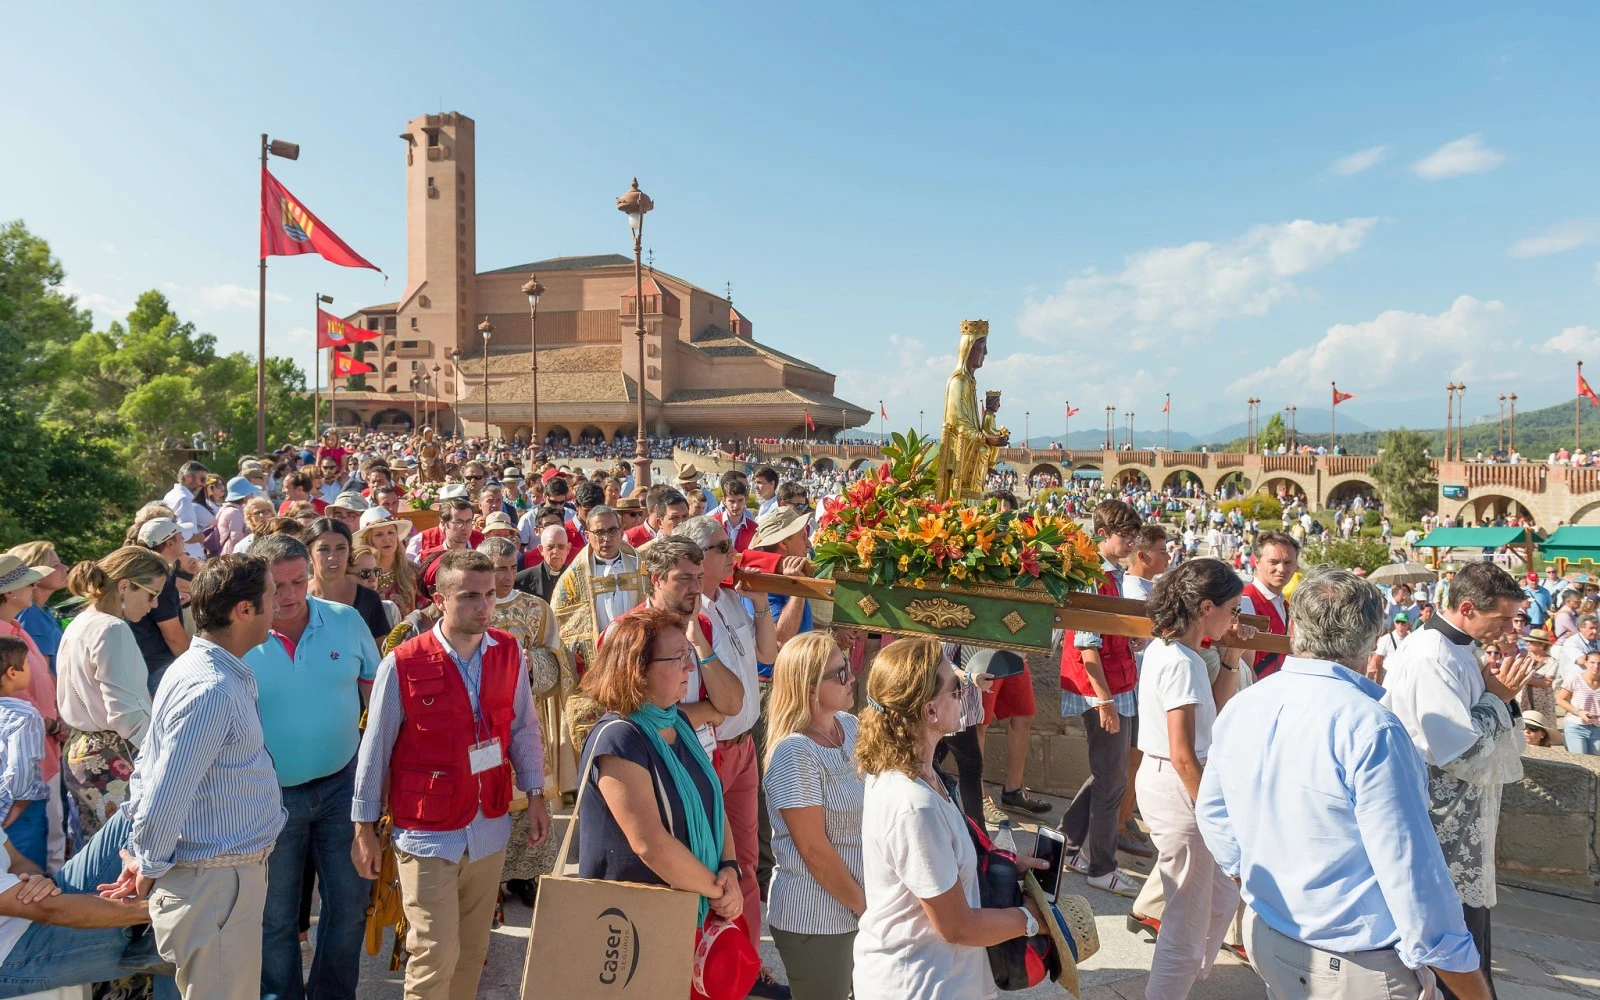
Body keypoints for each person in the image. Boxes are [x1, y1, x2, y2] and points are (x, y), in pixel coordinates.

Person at [1197, 568, 1491, 1000]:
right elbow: (1414, 878)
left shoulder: (1245, 703)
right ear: (1374, 639)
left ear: (1294, 629)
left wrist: (1255, 881)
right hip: (1353, 960)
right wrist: (1469, 986)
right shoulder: (1372, 728)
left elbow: (1213, 814)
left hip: (1270, 931)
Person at [351, 549, 548, 1000]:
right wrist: (362, 827)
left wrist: (536, 792)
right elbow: (375, 749)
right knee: (433, 952)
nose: (483, 606)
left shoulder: (509, 651)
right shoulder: (401, 662)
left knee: (474, 949)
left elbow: (523, 728)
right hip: (427, 830)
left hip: (489, 826)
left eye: (489, 595)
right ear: (440, 600)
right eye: (469, 597)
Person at [106, 554, 288, 1000]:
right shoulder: (211, 687)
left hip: (218, 885)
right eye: (271, 597)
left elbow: (149, 769)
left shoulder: (202, 670)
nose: (278, 606)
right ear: (244, 610)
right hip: (215, 887)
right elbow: (166, 789)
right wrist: (147, 863)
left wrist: (145, 855)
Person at [852, 637, 1042, 1000]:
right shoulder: (914, 805)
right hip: (918, 985)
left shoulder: (919, 773)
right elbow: (956, 925)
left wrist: (1004, 865)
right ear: (929, 712)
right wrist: (1031, 919)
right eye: (956, 688)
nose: (965, 693)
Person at [1382, 561, 1531, 1000]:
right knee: (1450, 939)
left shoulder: (1462, 649)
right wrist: (1497, 699)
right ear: (1467, 607)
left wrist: (1498, 699)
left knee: (1471, 933)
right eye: (1501, 618)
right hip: (1439, 820)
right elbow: (1459, 752)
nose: (1509, 628)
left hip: (1464, 817)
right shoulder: (1431, 655)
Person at [242, 534, 379, 1000]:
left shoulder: (346, 620)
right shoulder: (240, 636)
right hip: (268, 797)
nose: (288, 594)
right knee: (275, 915)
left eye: (298, 581)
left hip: (343, 786)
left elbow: (376, 701)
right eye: (276, 586)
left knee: (350, 904)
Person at [1134, 559, 1243, 1000]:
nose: (1234, 619)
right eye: (1232, 609)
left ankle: (1185, 975)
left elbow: (1207, 719)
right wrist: (1213, 813)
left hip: (1170, 778)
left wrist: (1231, 661)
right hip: (1179, 784)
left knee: (1221, 896)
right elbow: (1184, 753)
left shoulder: (1175, 652)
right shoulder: (1181, 661)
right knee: (1187, 917)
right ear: (1205, 606)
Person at [673, 515, 778, 954]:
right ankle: (708, 963)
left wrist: (758, 605)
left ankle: (746, 960)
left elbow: (768, 654)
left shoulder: (734, 601)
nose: (733, 554)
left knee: (746, 862)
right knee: (715, 864)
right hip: (708, 749)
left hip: (743, 745)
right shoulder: (690, 612)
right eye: (722, 548)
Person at [763, 633, 864, 1000]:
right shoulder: (794, 753)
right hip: (816, 918)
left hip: (855, 909)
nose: (851, 677)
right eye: (840, 674)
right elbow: (814, 852)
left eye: (849, 667)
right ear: (808, 689)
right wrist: (866, 908)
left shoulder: (850, 728)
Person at [1057, 498, 1144, 897]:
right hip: (1103, 687)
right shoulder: (1092, 574)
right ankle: (1101, 866)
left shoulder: (1103, 572)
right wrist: (1105, 701)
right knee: (1112, 780)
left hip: (1110, 682)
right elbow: (1087, 645)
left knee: (1106, 773)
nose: (1132, 543)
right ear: (1105, 533)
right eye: (1127, 536)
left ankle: (1070, 845)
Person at [477, 536, 569, 905]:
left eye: (512, 567)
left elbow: (555, 658)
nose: (507, 576)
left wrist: (534, 666)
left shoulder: (536, 608)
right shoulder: (471, 605)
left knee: (527, 790)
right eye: (498, 568)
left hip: (523, 716)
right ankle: (487, 878)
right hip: (480, 721)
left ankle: (525, 874)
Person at [54, 547, 167, 839]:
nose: (154, 605)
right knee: (122, 858)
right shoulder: (112, 628)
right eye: (152, 594)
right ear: (125, 586)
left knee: (93, 854)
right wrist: (166, 756)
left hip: (83, 752)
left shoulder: (81, 620)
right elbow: (126, 713)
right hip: (112, 758)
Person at [549, 505, 646, 678]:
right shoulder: (573, 578)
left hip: (637, 655)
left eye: (612, 530)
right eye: (599, 532)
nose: (606, 538)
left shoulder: (640, 568)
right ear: (587, 536)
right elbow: (562, 626)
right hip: (598, 662)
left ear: (622, 531)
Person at [129, 518, 193, 695]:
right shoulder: (160, 579)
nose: (184, 540)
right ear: (170, 542)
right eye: (180, 536)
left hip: (149, 665)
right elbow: (173, 636)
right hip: (161, 668)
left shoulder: (148, 572)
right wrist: (195, 665)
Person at [0, 639, 49, 871]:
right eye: (27, 663)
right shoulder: (24, 715)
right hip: (18, 809)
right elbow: (21, 768)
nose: (30, 668)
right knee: (26, 874)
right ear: (12, 672)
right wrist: (21, 802)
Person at [304, 517, 392, 641]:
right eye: (324, 549)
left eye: (340, 548)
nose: (332, 557)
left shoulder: (369, 599)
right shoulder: (298, 597)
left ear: (349, 552)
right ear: (309, 554)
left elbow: (380, 653)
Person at [1239, 530, 1299, 681]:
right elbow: (1243, 666)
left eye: (1288, 562)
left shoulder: (1282, 602)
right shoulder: (1246, 601)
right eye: (1274, 562)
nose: (1282, 569)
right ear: (1257, 562)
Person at [7, 542, 65, 676]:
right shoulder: (31, 614)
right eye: (55, 565)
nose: (65, 568)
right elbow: (41, 672)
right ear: (36, 573)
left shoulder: (41, 611)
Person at [354, 507, 419, 616]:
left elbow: (425, 614)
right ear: (367, 540)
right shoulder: (356, 575)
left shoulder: (414, 572)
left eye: (391, 532)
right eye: (378, 534)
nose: (387, 539)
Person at [161, 462, 212, 562]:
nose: (204, 484)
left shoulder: (171, 495)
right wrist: (200, 537)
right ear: (188, 476)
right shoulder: (184, 500)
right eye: (202, 479)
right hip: (190, 559)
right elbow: (185, 535)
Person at [514, 523, 571, 605]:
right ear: (541, 550)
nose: (555, 551)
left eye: (561, 546)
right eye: (550, 547)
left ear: (568, 549)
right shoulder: (522, 581)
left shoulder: (576, 577)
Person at [1557, 649, 1600, 754]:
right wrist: (1579, 712)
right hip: (1576, 726)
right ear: (1585, 663)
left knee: (1595, 764)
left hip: (1598, 728)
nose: (1596, 666)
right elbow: (1560, 700)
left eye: (1599, 663)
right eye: (1592, 662)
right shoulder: (1574, 679)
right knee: (1580, 762)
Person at [711, 474, 759, 553]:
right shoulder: (712, 523)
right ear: (724, 501)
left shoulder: (753, 528)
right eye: (732, 501)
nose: (736, 506)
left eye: (740, 500)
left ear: (746, 499)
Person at [1368, 611, 1413, 684]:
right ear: (1394, 623)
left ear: (1407, 624)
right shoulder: (1386, 639)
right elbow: (1377, 659)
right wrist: (1377, 680)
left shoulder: (1412, 639)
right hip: (1389, 675)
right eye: (1398, 622)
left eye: (1403, 622)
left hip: (1405, 676)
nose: (1400, 625)